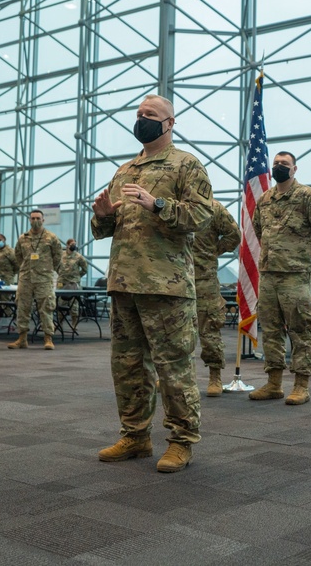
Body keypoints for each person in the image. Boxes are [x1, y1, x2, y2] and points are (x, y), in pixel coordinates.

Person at [91, 93, 213, 473]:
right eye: (140, 113)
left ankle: (181, 440)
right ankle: (136, 435)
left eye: (152, 114)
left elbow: (201, 216)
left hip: (166, 286)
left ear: (170, 123)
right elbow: (106, 230)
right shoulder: (124, 170)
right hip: (125, 283)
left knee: (173, 367)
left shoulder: (186, 165)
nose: (143, 118)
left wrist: (156, 204)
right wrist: (103, 216)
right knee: (127, 366)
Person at [249, 151, 311, 405]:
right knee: (271, 330)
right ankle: (274, 383)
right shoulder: (264, 199)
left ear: (295, 169)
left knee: (300, 329)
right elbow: (258, 229)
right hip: (269, 275)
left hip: (296, 275)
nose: (278, 168)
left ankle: (301, 385)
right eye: (275, 164)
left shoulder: (307, 196)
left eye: (284, 164)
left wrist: (302, 253)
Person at [192, 200, 241, 396]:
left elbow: (234, 235)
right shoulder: (169, 205)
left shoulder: (212, 207)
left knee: (209, 328)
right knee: (170, 332)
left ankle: (215, 376)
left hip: (204, 279)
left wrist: (213, 250)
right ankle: (169, 376)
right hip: (173, 279)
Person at [8, 210, 63, 350]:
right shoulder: (23, 238)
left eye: (38, 218)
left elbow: (57, 257)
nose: (35, 220)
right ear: (29, 220)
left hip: (44, 278)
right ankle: (22, 339)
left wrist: (49, 271)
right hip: (26, 278)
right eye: (33, 218)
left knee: (46, 308)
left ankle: (48, 338)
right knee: (22, 307)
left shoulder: (51, 238)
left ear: (43, 220)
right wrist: (26, 268)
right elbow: (18, 256)